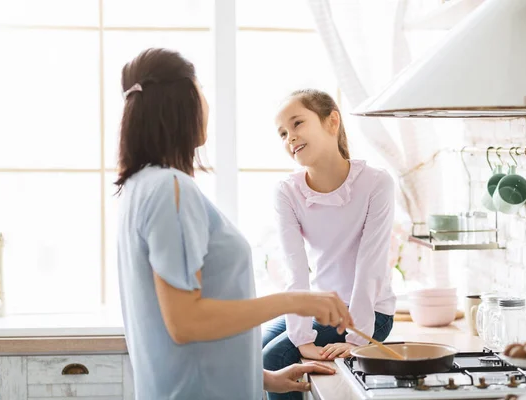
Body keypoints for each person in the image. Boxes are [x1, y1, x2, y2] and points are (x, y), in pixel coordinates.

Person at [115, 48, 353, 400]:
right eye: (201, 91)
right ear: (183, 103)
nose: (207, 105)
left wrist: (263, 377)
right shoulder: (170, 190)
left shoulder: (139, 186)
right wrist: (294, 301)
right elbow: (186, 322)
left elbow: (185, 331)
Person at [262, 89, 397, 400]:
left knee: (273, 357)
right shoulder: (287, 192)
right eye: (282, 133)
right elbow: (295, 269)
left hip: (371, 312)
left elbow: (371, 265)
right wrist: (302, 337)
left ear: (332, 121)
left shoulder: (377, 182)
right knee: (255, 351)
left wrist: (357, 338)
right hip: (321, 307)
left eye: (297, 124)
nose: (289, 138)